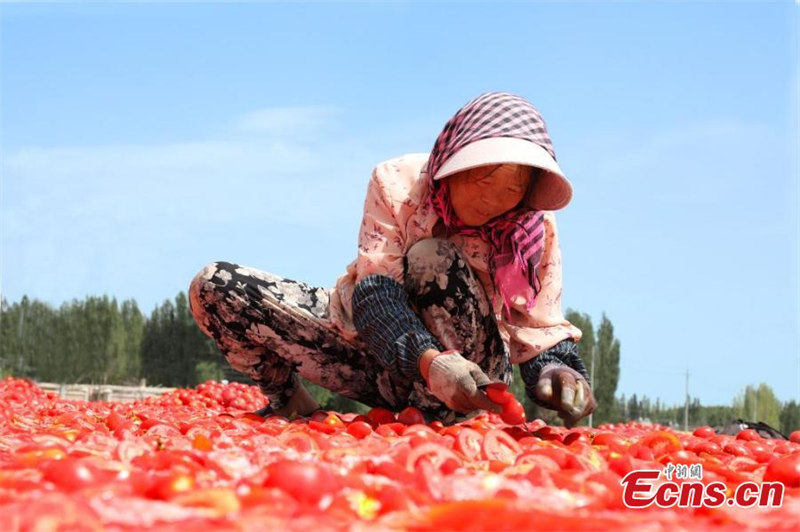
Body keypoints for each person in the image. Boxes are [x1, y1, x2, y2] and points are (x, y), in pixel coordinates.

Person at [189, 91, 596, 426]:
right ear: (453, 163)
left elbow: (538, 328)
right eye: (483, 179)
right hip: (373, 350)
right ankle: (289, 400)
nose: (492, 200)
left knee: (432, 257)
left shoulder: (532, 227)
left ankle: (444, 416)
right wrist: (430, 363)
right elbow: (376, 294)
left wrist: (558, 373)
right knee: (215, 285)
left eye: (511, 190)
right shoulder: (398, 184)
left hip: (469, 376)